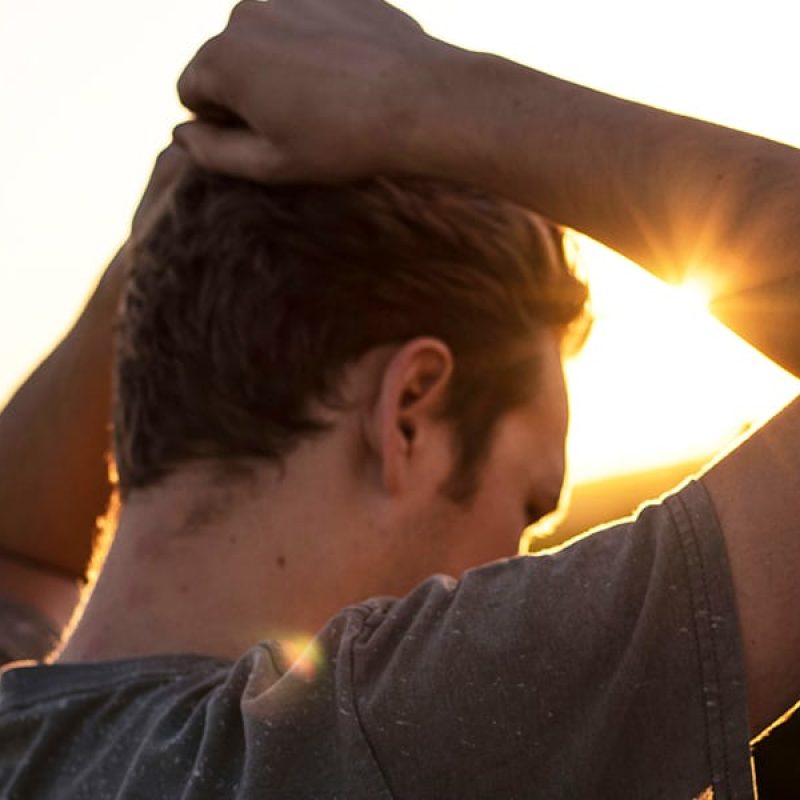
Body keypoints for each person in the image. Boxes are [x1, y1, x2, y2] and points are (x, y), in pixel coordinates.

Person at [2, 1, 800, 797]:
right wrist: (429, 97)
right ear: (409, 411)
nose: (524, 561)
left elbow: (20, 549)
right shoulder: (386, 741)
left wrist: (156, 262)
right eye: (528, 506)